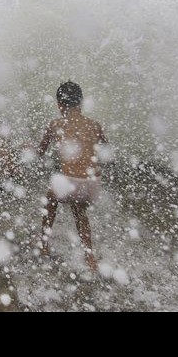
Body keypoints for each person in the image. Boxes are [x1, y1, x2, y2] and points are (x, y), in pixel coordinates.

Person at [36, 81, 108, 271]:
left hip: (72, 185)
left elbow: (40, 152)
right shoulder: (95, 125)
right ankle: (89, 257)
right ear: (81, 103)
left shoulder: (56, 124)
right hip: (93, 185)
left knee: (50, 198)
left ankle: (44, 244)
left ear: (59, 105)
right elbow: (107, 150)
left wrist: (28, 149)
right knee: (79, 212)